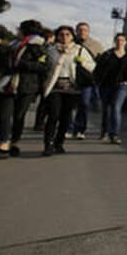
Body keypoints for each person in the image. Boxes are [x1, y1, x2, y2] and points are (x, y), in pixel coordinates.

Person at [0, 20, 48, 159]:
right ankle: (3, 144)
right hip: (8, 83)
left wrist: (21, 64)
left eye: (19, 29)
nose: (17, 31)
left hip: (27, 86)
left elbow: (43, 66)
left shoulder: (38, 46)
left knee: (19, 116)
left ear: (26, 31)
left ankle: (14, 142)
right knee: (4, 115)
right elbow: (1, 63)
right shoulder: (14, 45)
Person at [42, 25, 96, 156]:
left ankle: (59, 143)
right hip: (54, 86)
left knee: (66, 117)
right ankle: (48, 145)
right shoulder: (51, 50)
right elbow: (44, 66)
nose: (64, 37)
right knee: (53, 115)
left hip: (72, 88)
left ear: (72, 36)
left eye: (67, 34)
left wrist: (82, 62)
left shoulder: (79, 50)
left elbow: (92, 66)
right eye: (61, 34)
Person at [94, 33, 127, 144]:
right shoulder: (107, 54)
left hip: (121, 85)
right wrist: (98, 82)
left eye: (122, 40)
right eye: (118, 40)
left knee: (116, 108)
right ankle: (104, 132)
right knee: (106, 110)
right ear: (114, 41)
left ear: (125, 42)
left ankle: (115, 135)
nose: (120, 42)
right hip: (106, 85)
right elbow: (98, 69)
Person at [71, 22, 104, 139]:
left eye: (85, 30)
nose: (82, 32)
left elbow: (101, 63)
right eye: (80, 30)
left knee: (84, 104)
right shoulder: (70, 43)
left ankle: (80, 129)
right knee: (69, 105)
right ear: (76, 31)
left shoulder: (95, 45)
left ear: (88, 32)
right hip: (71, 78)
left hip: (87, 80)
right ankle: (69, 128)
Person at [32, 28, 56, 132]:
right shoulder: (49, 48)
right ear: (50, 37)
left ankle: (39, 123)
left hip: (38, 77)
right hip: (46, 77)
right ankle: (40, 123)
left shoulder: (39, 46)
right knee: (45, 102)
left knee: (42, 102)